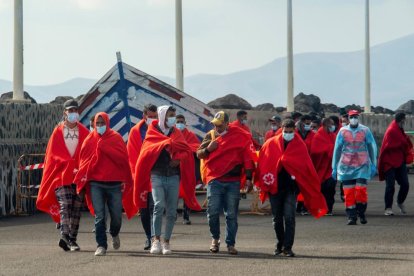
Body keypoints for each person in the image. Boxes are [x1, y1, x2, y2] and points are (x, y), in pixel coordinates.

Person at [133, 105, 201, 255]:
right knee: (158, 205)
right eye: (170, 115)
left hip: (173, 176)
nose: (172, 119)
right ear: (163, 116)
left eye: (174, 116)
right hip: (156, 175)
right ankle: (155, 240)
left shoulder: (176, 132)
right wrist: (165, 144)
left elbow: (186, 151)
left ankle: (166, 242)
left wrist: (178, 159)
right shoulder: (152, 131)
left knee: (171, 211)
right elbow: (147, 150)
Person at [256, 119, 327, 257]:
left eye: (290, 132)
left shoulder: (299, 145)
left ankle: (287, 247)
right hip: (274, 187)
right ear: (281, 130)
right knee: (277, 218)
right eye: (285, 132)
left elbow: (305, 166)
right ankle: (279, 244)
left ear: (294, 130)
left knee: (289, 217)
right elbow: (263, 163)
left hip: (291, 188)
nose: (288, 134)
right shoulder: (270, 144)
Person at [74, 112, 135, 256]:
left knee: (116, 216)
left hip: (114, 184)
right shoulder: (89, 139)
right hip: (96, 184)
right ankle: (101, 245)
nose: (100, 126)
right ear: (94, 124)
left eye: (102, 123)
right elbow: (83, 161)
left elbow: (123, 159)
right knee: (99, 215)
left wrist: (105, 149)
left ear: (108, 123)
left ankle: (114, 233)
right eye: (98, 124)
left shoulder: (116, 138)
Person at [197, 111, 255, 255]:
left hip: (233, 181)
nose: (217, 127)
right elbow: (199, 153)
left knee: (231, 215)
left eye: (220, 125)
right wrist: (208, 149)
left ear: (227, 124)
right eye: (215, 125)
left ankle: (230, 244)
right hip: (214, 179)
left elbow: (247, 158)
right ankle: (215, 239)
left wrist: (248, 178)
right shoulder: (210, 136)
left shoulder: (240, 136)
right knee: (213, 212)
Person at [36, 99, 89, 252]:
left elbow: (88, 153)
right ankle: (65, 235)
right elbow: (52, 155)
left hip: (79, 176)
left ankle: (72, 240)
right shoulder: (57, 132)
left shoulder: (84, 132)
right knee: (65, 205)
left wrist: (80, 167)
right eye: (70, 110)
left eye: (75, 110)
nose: (73, 113)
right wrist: (67, 162)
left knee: (76, 208)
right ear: (65, 112)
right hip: (61, 176)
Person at [332, 110, 377, 225]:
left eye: (355, 116)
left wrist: (373, 163)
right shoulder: (343, 131)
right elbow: (337, 149)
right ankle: (351, 216)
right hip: (346, 166)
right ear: (348, 117)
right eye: (352, 116)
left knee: (361, 189)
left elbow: (371, 146)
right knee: (349, 192)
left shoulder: (365, 130)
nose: (353, 118)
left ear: (358, 117)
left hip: (362, 164)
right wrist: (334, 166)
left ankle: (361, 212)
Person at [127, 104, 157, 250]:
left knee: (154, 208)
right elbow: (131, 156)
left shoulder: (160, 130)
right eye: (150, 116)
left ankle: (154, 238)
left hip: (156, 175)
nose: (152, 119)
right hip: (141, 176)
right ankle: (148, 236)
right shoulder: (135, 132)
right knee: (144, 210)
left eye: (154, 117)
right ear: (144, 116)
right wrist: (136, 174)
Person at [378, 112, 413, 216]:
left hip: (399, 161)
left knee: (405, 184)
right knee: (390, 186)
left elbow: (404, 141)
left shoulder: (399, 129)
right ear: (401, 120)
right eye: (404, 119)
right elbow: (391, 144)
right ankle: (388, 208)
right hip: (389, 162)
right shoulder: (392, 130)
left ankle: (400, 202)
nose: (405, 121)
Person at [176, 114, 201, 225]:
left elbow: (197, 148)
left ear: (185, 123)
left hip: (188, 169)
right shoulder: (171, 134)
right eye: (178, 121)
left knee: (188, 192)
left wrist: (184, 148)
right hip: (175, 169)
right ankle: (174, 216)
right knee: (173, 194)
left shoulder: (191, 135)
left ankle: (186, 216)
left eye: (181, 121)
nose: (180, 124)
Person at [310, 118, 337, 215]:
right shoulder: (318, 136)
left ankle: (329, 208)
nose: (333, 126)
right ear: (326, 125)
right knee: (322, 189)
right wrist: (329, 148)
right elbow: (315, 151)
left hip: (331, 168)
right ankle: (322, 207)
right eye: (331, 124)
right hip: (320, 168)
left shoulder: (333, 136)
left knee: (331, 188)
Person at [295, 114, 315, 215]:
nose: (308, 125)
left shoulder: (312, 134)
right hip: (295, 164)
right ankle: (299, 204)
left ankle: (303, 205)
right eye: (307, 123)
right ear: (302, 122)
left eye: (309, 123)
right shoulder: (294, 132)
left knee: (305, 186)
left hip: (307, 163)